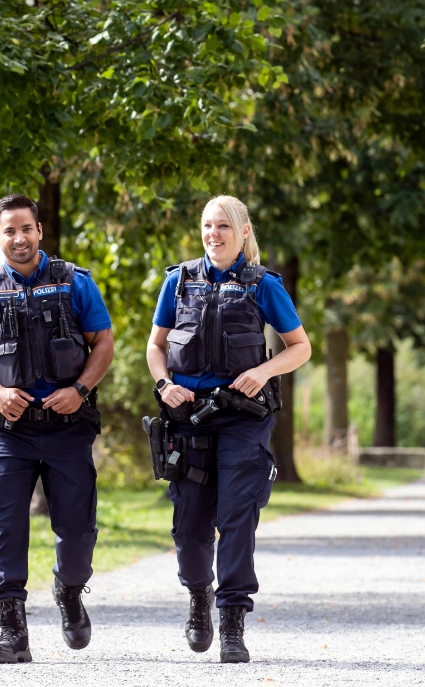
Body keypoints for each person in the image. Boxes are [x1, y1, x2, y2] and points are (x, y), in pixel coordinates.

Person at [146, 195, 311, 663]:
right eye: (206, 226)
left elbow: (300, 347)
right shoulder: (178, 282)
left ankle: (233, 620)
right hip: (189, 417)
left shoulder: (262, 284)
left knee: (237, 515)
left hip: (243, 417)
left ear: (242, 232)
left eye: (222, 226)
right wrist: (163, 385)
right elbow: (155, 347)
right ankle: (199, 596)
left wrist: (263, 372)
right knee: (190, 524)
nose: (213, 234)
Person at [0, 194, 114, 664]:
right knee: (5, 525)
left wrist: (82, 389)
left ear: (40, 231)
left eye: (27, 228)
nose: (19, 238)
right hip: (11, 430)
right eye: (10, 231)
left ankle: (69, 590)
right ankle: (12, 633)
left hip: (68, 426)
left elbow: (103, 341)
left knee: (78, 531)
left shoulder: (74, 282)